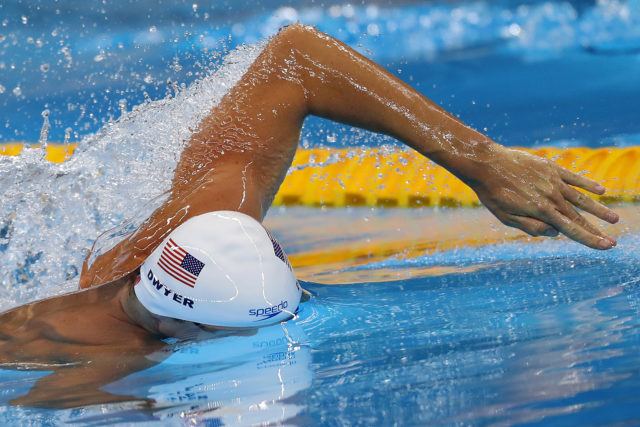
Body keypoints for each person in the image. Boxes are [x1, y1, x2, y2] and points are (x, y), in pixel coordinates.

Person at [0, 23, 619, 407]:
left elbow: (297, 57)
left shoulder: (203, 219)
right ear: (186, 331)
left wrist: (479, 160)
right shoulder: (99, 367)